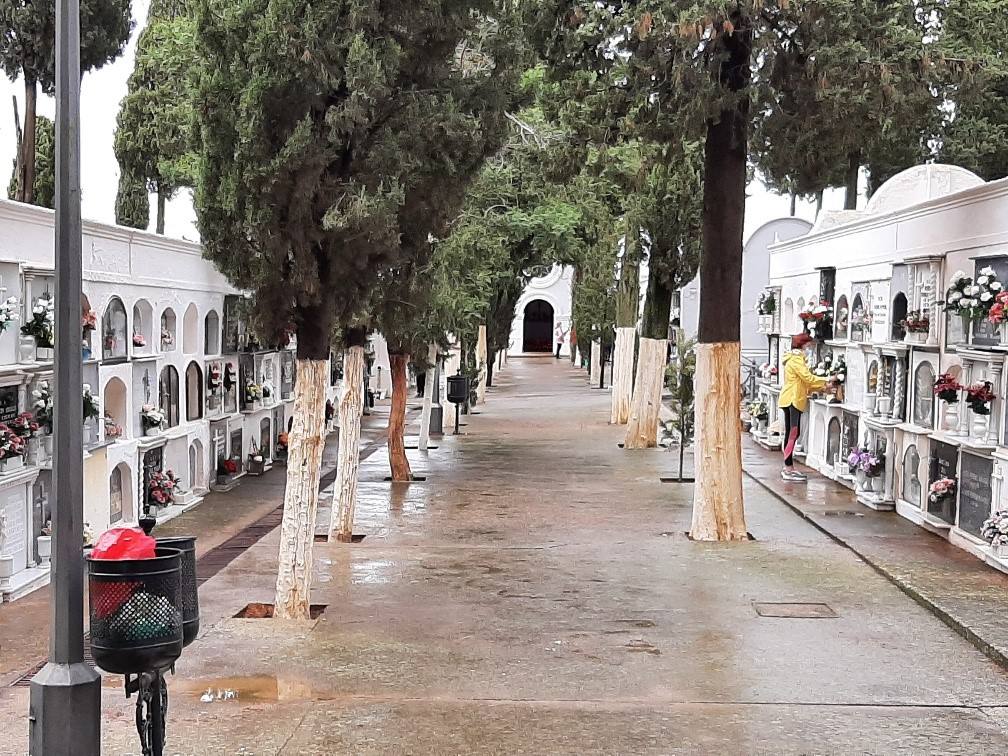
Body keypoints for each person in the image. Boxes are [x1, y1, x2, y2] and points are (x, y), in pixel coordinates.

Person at [778, 333, 833, 482]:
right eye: (808, 346)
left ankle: (788, 466)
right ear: (802, 345)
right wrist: (826, 380)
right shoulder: (796, 360)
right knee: (793, 433)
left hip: (790, 398)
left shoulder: (794, 359)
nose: (809, 349)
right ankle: (788, 467)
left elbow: (804, 383)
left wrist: (821, 387)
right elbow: (807, 378)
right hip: (793, 399)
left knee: (792, 433)